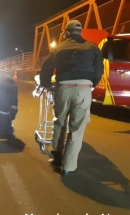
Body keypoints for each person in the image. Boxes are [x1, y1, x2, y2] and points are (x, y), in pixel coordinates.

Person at [39, 20, 104, 176]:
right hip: (83, 89)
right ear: (80, 32)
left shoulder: (59, 48)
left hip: (63, 88)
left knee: (59, 123)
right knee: (77, 129)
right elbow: (98, 71)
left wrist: (46, 84)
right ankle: (68, 166)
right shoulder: (92, 47)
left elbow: (46, 68)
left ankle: (56, 158)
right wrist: (90, 84)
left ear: (66, 33)